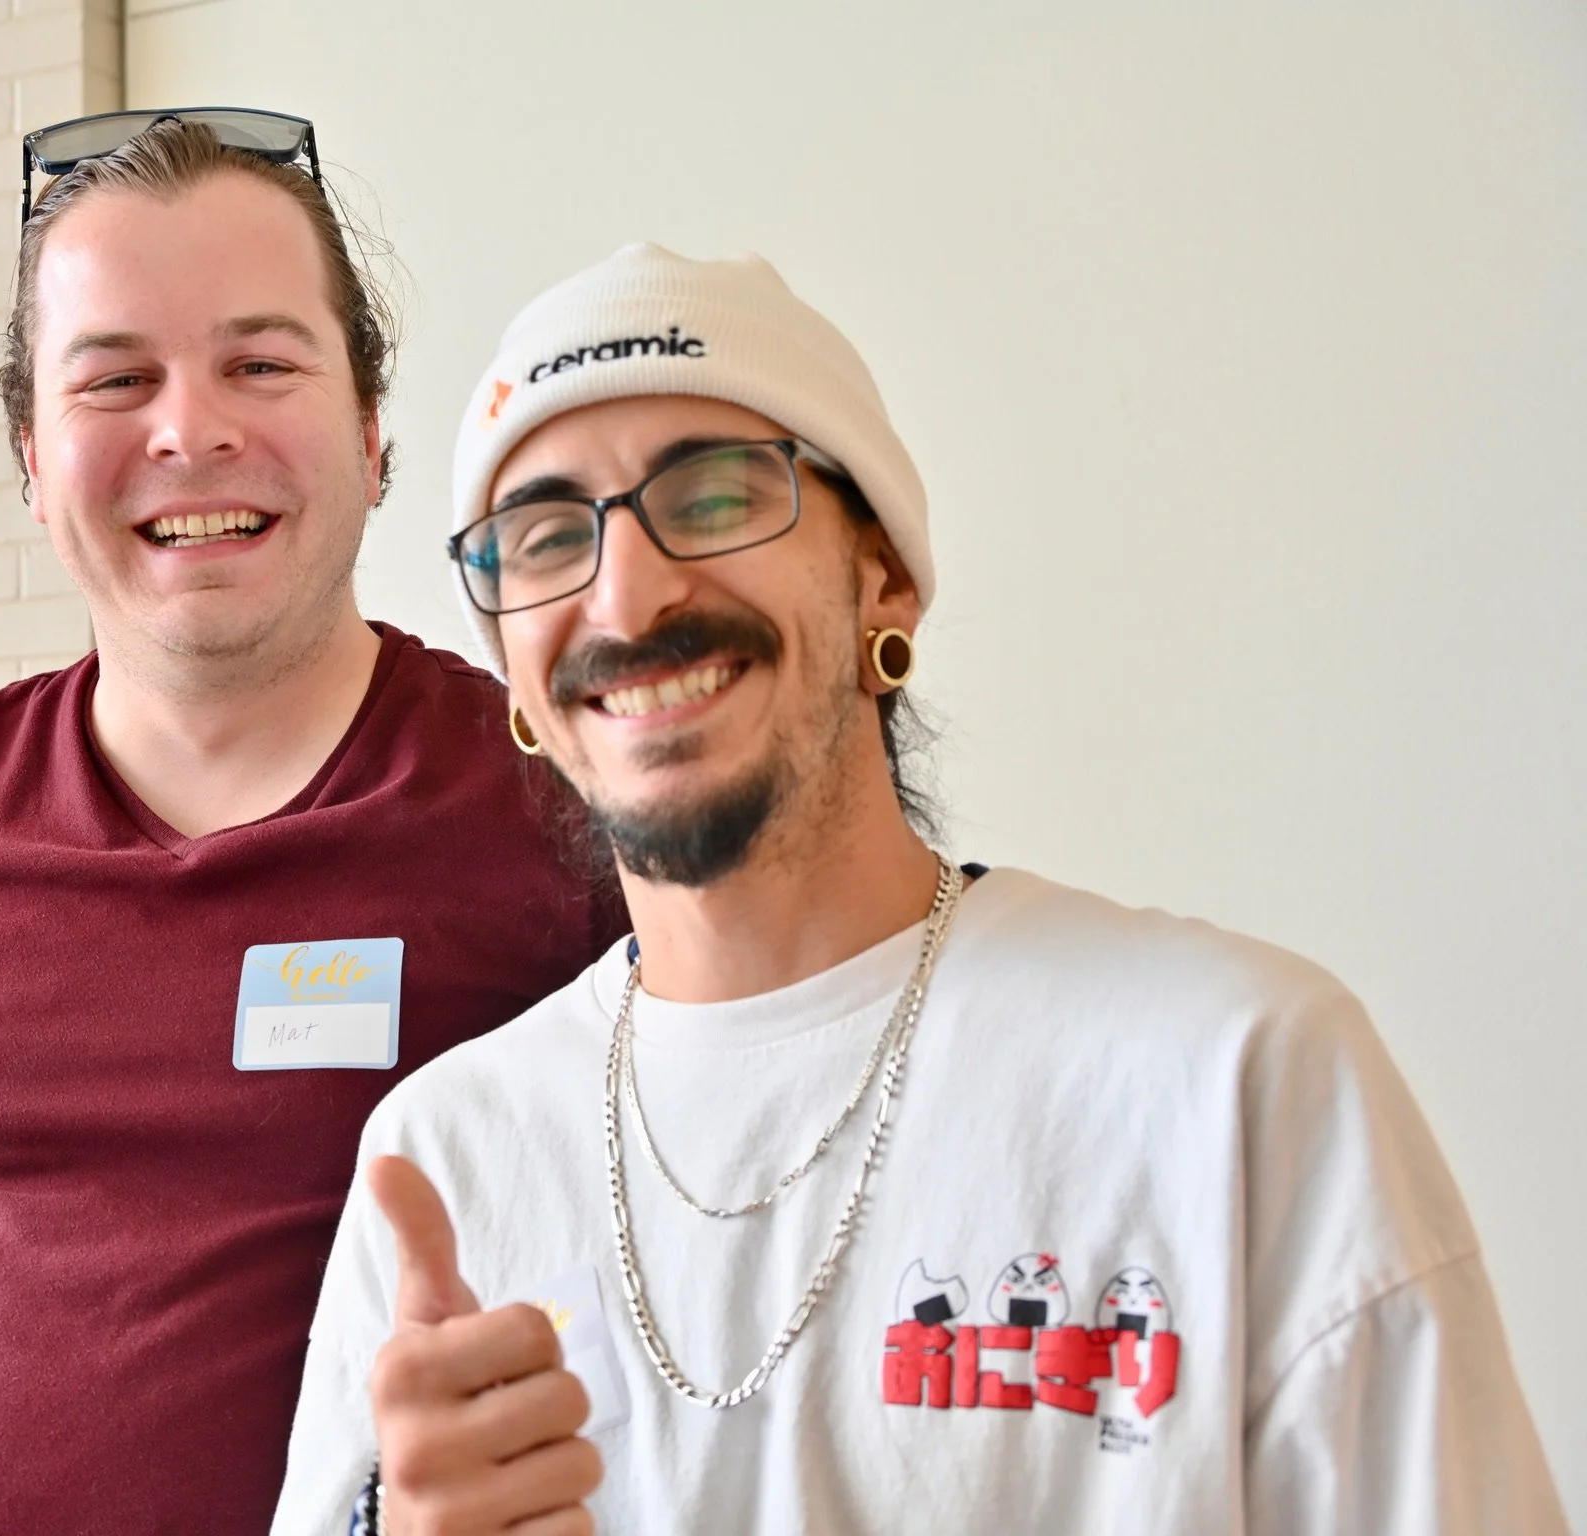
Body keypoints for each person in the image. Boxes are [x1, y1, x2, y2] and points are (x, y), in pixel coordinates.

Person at [272, 243, 1566, 1534]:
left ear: (882, 574)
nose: (628, 595)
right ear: (514, 672)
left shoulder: (1233, 1076)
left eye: (715, 497)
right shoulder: (444, 1161)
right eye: (548, 537)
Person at [0, 113, 621, 1536]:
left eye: (261, 364)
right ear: (31, 458)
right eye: (116, 379)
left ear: (372, 432)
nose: (191, 430)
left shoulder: (561, 810)